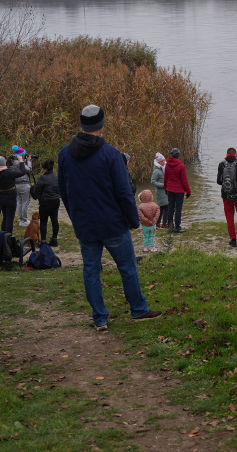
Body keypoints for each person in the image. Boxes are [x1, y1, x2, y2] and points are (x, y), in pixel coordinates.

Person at [57, 104, 160, 331]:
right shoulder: (111, 154)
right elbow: (124, 192)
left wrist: (74, 216)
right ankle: (138, 310)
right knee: (127, 267)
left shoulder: (64, 154)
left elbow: (63, 190)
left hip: (85, 223)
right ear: (102, 125)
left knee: (91, 269)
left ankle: (100, 318)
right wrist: (133, 220)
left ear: (82, 124)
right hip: (112, 223)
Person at [31, 159, 60, 246]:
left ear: (45, 169)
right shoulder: (56, 177)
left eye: (42, 168)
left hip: (45, 203)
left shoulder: (42, 178)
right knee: (54, 220)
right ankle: (54, 239)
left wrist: (33, 189)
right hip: (55, 201)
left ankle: (43, 241)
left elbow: (37, 192)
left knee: (43, 222)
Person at [0, 155, 24, 232]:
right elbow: (22, 172)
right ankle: (8, 237)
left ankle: (3, 235)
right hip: (10, 196)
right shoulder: (8, 173)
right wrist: (21, 161)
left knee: (5, 217)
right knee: (10, 218)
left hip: (0, 196)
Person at [163, 147, 191, 233]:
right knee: (178, 209)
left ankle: (170, 226)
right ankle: (177, 227)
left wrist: (165, 188)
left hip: (170, 190)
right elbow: (184, 180)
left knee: (171, 208)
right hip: (179, 191)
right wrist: (188, 191)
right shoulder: (181, 166)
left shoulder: (167, 164)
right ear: (178, 155)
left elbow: (165, 178)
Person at [11, 146, 34, 226]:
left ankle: (21, 219)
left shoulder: (13, 162)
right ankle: (24, 220)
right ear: (22, 155)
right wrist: (29, 161)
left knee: (19, 202)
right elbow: (29, 169)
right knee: (25, 203)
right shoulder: (20, 163)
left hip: (16, 184)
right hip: (23, 184)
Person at [151, 153, 170, 228]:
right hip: (161, 191)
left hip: (166, 191)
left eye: (164, 160)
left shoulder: (165, 168)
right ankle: (165, 224)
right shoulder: (156, 171)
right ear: (158, 162)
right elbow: (153, 181)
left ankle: (158, 223)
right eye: (161, 161)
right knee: (166, 207)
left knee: (162, 208)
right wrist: (163, 185)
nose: (163, 162)